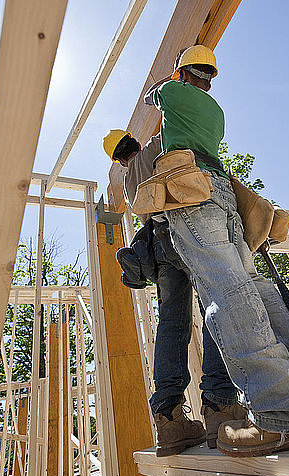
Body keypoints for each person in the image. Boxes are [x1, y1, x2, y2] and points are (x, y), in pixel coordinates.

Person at [144, 44, 289, 457]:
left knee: (226, 295)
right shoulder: (216, 112)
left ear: (183, 73)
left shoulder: (172, 93)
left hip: (192, 195)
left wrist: (169, 84)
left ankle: (284, 413)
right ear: (210, 76)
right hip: (223, 195)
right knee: (257, 288)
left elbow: (151, 94)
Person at [103, 129, 247, 457]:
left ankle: (169, 419)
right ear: (134, 143)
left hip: (158, 247)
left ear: (117, 159)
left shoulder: (128, 183)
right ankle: (220, 405)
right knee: (216, 305)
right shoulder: (154, 146)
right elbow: (172, 127)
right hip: (184, 229)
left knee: (171, 326)